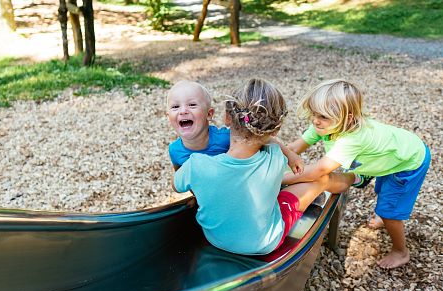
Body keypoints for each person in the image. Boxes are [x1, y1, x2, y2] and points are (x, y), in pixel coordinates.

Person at [172, 78, 352, 255]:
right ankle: (351, 178)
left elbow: (177, 185)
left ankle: (344, 180)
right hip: (264, 243)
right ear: (275, 130)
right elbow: (272, 147)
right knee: (321, 180)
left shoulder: (195, 165)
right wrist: (288, 153)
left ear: (227, 118)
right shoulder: (275, 156)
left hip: (215, 239)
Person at [284, 79, 431, 269]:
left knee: (390, 211)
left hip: (408, 162)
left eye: (322, 116)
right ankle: (374, 198)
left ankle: (401, 251)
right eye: (313, 113)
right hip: (391, 155)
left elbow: (320, 170)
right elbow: (295, 147)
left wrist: (280, 178)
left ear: (348, 118)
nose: (315, 120)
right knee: (383, 190)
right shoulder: (325, 124)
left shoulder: (352, 140)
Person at [166, 80, 303, 173]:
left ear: (209, 114)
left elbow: (262, 136)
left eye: (192, 105)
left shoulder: (226, 137)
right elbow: (179, 174)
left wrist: (290, 155)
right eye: (175, 106)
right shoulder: (174, 150)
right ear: (168, 117)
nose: (183, 111)